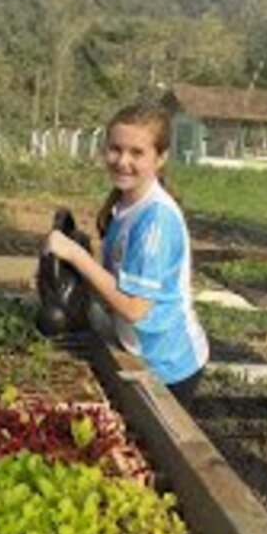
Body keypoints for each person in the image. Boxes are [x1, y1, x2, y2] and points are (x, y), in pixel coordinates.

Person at [43, 103, 208, 407]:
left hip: (167, 364)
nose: (122, 161)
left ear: (161, 158)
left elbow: (135, 308)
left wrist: (76, 256)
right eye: (115, 149)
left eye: (137, 153)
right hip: (137, 350)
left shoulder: (156, 219)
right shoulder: (125, 205)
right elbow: (117, 283)